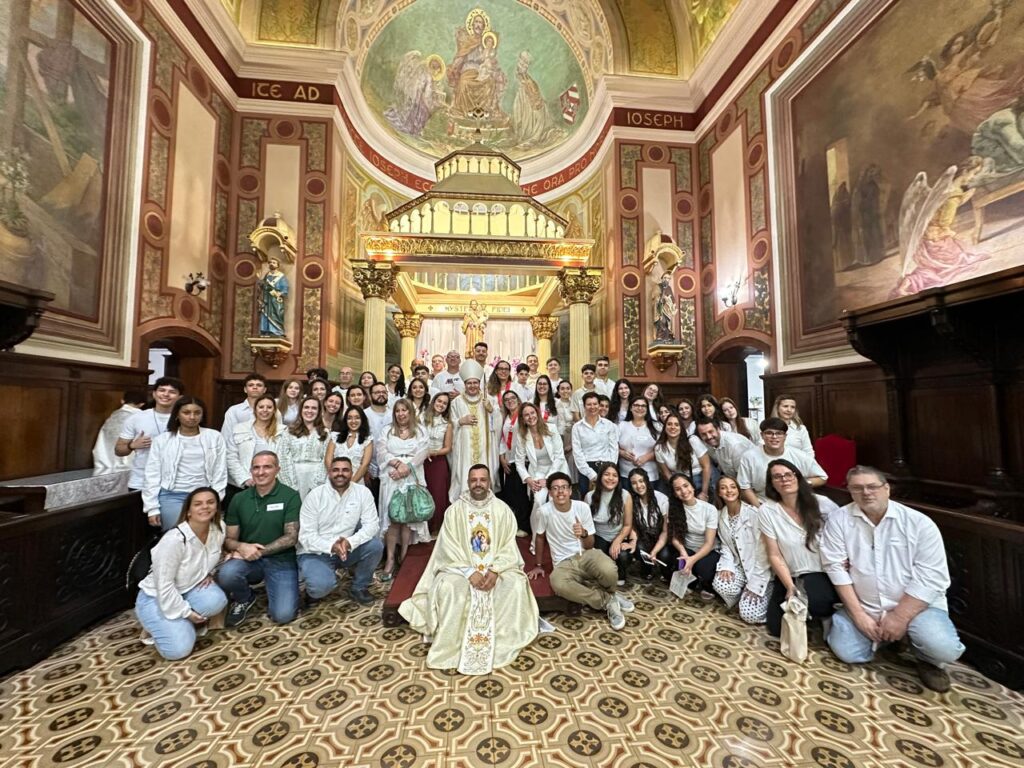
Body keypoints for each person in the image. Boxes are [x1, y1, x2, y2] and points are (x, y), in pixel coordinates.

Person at [821, 466, 964, 692]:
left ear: (887, 489)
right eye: (857, 488)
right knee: (847, 652)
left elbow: (931, 577)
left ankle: (927, 660)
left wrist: (899, 617)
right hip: (866, 605)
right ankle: (888, 639)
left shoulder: (919, 524)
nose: (866, 493)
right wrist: (859, 616)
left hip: (917, 608)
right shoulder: (839, 519)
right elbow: (835, 568)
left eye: (872, 487)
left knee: (942, 648)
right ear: (850, 491)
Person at [399, 464, 538, 674]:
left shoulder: (502, 510)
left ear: (490, 482)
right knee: (449, 588)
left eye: (483, 479)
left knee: (516, 584)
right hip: (460, 569)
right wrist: (468, 572)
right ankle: (451, 644)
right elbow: (447, 548)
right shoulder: (454, 511)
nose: (478, 484)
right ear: (467, 482)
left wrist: (495, 570)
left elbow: (509, 546)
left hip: (496, 568)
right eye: (474, 480)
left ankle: (504, 638)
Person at [529, 472, 632, 630]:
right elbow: (540, 538)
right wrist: (538, 565)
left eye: (564, 487)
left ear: (570, 490)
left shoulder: (582, 507)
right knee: (558, 584)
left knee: (609, 570)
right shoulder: (544, 511)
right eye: (555, 488)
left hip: (585, 554)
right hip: (562, 562)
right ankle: (607, 601)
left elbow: (590, 545)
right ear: (550, 493)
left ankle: (612, 594)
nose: (560, 491)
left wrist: (583, 533)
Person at [134, 487, 228, 660]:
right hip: (156, 596)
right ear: (188, 511)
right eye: (198, 504)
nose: (205, 507)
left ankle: (175, 624)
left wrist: (208, 572)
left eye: (210, 502)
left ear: (217, 507)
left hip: (188, 588)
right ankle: (155, 623)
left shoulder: (219, 528)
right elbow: (164, 585)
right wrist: (187, 613)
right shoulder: (174, 540)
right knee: (178, 651)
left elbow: (212, 555)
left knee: (216, 600)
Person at [217, 451, 301, 627]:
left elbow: (291, 537)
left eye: (267, 467)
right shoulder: (239, 499)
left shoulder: (290, 496)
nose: (261, 472)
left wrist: (257, 551)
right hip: (249, 560)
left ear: (277, 469)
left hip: (281, 560)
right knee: (226, 574)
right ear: (251, 471)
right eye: (256, 467)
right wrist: (241, 546)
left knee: (283, 615)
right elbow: (229, 539)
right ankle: (245, 598)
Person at [759, 459, 839, 638]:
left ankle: (828, 615)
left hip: (822, 571)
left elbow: (844, 536)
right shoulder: (768, 511)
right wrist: (789, 586)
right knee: (776, 628)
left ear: (798, 477)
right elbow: (774, 554)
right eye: (777, 477)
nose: (784, 479)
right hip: (791, 574)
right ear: (772, 484)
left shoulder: (822, 503)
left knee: (818, 601)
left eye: (788, 474)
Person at [298, 457, 384, 605]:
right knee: (320, 587)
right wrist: (331, 546)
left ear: (351, 473)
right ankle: (314, 588)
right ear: (329, 472)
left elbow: (372, 525)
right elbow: (306, 536)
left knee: (375, 546)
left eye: (345, 470)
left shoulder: (362, 493)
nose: (340, 474)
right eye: (335, 470)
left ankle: (359, 587)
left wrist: (350, 542)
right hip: (316, 552)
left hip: (346, 548)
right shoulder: (315, 495)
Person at [143, 397, 227, 532]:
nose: (192, 417)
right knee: (177, 536)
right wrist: (152, 508)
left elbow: (220, 471)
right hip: (172, 496)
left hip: (204, 495)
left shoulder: (214, 437)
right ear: (177, 414)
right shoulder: (162, 440)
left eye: (197, 413)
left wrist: (216, 499)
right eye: (186, 412)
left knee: (203, 536)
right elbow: (152, 474)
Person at [377, 399, 430, 581]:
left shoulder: (420, 430)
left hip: (412, 475)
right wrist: (397, 464)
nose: (401, 414)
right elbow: (381, 452)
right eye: (398, 411)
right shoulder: (387, 430)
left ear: (410, 412)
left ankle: (404, 555)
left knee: (407, 517)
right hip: (391, 475)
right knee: (393, 517)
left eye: (404, 410)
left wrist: (407, 467)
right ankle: (390, 558)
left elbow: (423, 452)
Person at [712, 476, 770, 624]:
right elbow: (725, 545)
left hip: (760, 569)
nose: (729, 490)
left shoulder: (753, 514)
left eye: (733, 487)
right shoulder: (720, 515)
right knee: (721, 584)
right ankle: (743, 598)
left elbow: (764, 551)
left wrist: (756, 582)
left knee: (749, 615)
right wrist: (727, 566)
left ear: (738, 490)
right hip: (740, 565)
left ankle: (757, 599)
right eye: (724, 488)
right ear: (719, 493)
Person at [737, 418, 828, 505]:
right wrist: (759, 508)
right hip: (763, 503)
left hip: (795, 504)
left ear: (785, 436)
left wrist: (801, 483)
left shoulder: (800, 456)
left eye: (779, 433)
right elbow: (744, 487)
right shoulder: (749, 456)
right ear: (762, 435)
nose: (774, 437)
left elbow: (822, 478)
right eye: (769, 433)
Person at [116, 377, 183, 492]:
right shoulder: (136, 418)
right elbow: (118, 450)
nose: (166, 394)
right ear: (154, 394)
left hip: (177, 482)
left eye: (172, 392)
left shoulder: (186, 419)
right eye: (162, 390)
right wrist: (132, 445)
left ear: (180, 397)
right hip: (141, 482)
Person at [514, 402, 569, 536]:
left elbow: (559, 457)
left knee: (554, 499)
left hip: (557, 470)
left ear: (537, 414)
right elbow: (519, 462)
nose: (530, 417)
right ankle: (536, 537)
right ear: (523, 419)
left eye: (532, 413)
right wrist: (528, 479)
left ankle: (557, 535)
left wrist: (548, 479)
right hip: (537, 473)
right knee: (539, 501)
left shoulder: (551, 428)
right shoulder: (522, 435)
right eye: (526, 415)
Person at [665, 472, 720, 600]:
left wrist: (692, 560)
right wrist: (683, 553)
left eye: (686, 486)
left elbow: (709, 543)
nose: (684, 491)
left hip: (708, 549)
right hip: (688, 547)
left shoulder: (709, 509)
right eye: (678, 489)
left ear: (693, 486)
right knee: (677, 561)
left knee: (703, 568)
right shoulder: (673, 508)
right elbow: (674, 536)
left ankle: (706, 584)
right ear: (675, 494)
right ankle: (692, 581)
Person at [448, 360, 496, 501]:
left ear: (479, 383)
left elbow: (498, 424)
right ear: (464, 384)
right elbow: (449, 425)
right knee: (464, 473)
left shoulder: (488, 399)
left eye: (475, 383)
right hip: (464, 448)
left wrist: (491, 411)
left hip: (484, 447)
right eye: (469, 383)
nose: (472, 386)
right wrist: (460, 421)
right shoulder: (457, 402)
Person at [584, 463, 634, 586]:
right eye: (607, 474)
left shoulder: (625, 495)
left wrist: (617, 541)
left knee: (623, 556)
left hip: (619, 535)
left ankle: (620, 571)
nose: (611, 478)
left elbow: (628, 525)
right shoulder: (589, 496)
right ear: (600, 476)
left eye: (614, 475)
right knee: (598, 561)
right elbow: (587, 525)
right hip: (598, 537)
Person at [278, 397, 331, 500]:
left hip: (317, 477)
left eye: (314, 408)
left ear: (319, 411)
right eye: (306, 407)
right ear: (301, 410)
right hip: (294, 475)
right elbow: (283, 458)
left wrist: (317, 485)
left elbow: (326, 459)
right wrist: (291, 485)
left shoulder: (325, 433)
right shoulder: (289, 431)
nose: (309, 411)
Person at [227, 395, 281, 489]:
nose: (265, 410)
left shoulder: (283, 431)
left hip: (274, 484)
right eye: (261, 407)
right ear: (255, 410)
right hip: (245, 485)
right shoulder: (239, 429)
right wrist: (245, 479)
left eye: (269, 407)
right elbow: (231, 457)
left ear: (274, 411)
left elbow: (285, 460)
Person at [571, 392, 619, 496]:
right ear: (584, 406)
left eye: (595, 404)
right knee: (587, 499)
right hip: (586, 468)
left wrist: (610, 470)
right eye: (589, 404)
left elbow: (614, 449)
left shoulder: (608, 425)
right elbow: (577, 452)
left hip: (607, 466)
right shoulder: (577, 427)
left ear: (599, 405)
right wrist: (591, 475)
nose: (592, 407)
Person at [627, 468, 671, 580]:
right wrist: (633, 541)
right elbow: (632, 526)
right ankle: (647, 570)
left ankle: (665, 572)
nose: (638, 486)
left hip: (660, 537)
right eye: (634, 483)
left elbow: (665, 532)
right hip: (643, 536)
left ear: (647, 481)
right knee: (639, 549)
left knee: (665, 555)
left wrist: (654, 551)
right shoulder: (631, 500)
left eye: (641, 481)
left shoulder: (661, 499)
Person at [655, 413, 712, 498]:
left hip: (699, 479)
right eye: (669, 424)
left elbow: (706, 466)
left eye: (676, 424)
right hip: (678, 482)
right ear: (665, 427)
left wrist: (704, 492)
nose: (673, 427)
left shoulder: (692, 441)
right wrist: (677, 489)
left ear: (681, 428)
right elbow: (667, 473)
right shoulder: (659, 448)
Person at [496, 391, 529, 533]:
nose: (510, 401)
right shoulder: (506, 418)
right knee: (511, 493)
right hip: (509, 460)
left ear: (518, 399)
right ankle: (514, 523)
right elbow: (503, 439)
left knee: (521, 494)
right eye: (506, 399)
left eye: (513, 398)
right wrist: (502, 458)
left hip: (522, 459)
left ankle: (524, 526)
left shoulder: (523, 415)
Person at [93, 389, 148, 470]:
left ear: (122, 401)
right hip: (129, 467)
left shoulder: (113, 416)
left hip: (105, 465)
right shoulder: (142, 418)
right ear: (142, 404)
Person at [423, 393, 453, 534]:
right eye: (439, 401)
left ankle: (436, 528)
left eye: (444, 403)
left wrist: (433, 452)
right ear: (433, 402)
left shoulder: (447, 424)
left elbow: (448, 448)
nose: (441, 404)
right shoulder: (421, 419)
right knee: (423, 492)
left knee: (438, 494)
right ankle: (422, 528)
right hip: (421, 461)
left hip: (438, 462)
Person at [618, 396, 661, 490]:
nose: (640, 408)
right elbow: (613, 446)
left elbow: (663, 448)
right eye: (636, 405)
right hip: (626, 474)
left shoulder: (656, 426)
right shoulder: (622, 425)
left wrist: (648, 457)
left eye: (643, 406)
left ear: (647, 409)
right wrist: (621, 453)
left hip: (650, 474)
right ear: (631, 408)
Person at [221, 374, 271, 453]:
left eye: (259, 385)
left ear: (264, 390)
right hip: (239, 453)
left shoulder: (273, 411)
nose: (255, 387)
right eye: (251, 385)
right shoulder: (234, 410)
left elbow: (278, 435)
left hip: (266, 452)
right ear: (245, 389)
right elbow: (226, 435)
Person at [331, 406, 372, 486]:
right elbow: (328, 460)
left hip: (356, 481)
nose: (353, 421)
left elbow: (365, 465)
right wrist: (335, 478)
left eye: (357, 418)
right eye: (349, 418)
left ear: (362, 420)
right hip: (335, 479)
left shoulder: (367, 440)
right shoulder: (335, 436)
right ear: (345, 420)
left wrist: (350, 484)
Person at [258, 257, 288, 336]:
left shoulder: (281, 276)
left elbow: (285, 288)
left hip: (275, 299)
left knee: (277, 314)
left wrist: (279, 293)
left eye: (274, 263)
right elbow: (263, 286)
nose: (271, 264)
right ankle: (265, 330)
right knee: (265, 313)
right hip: (266, 298)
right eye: (270, 262)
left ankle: (277, 331)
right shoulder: (267, 275)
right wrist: (260, 283)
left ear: (277, 265)